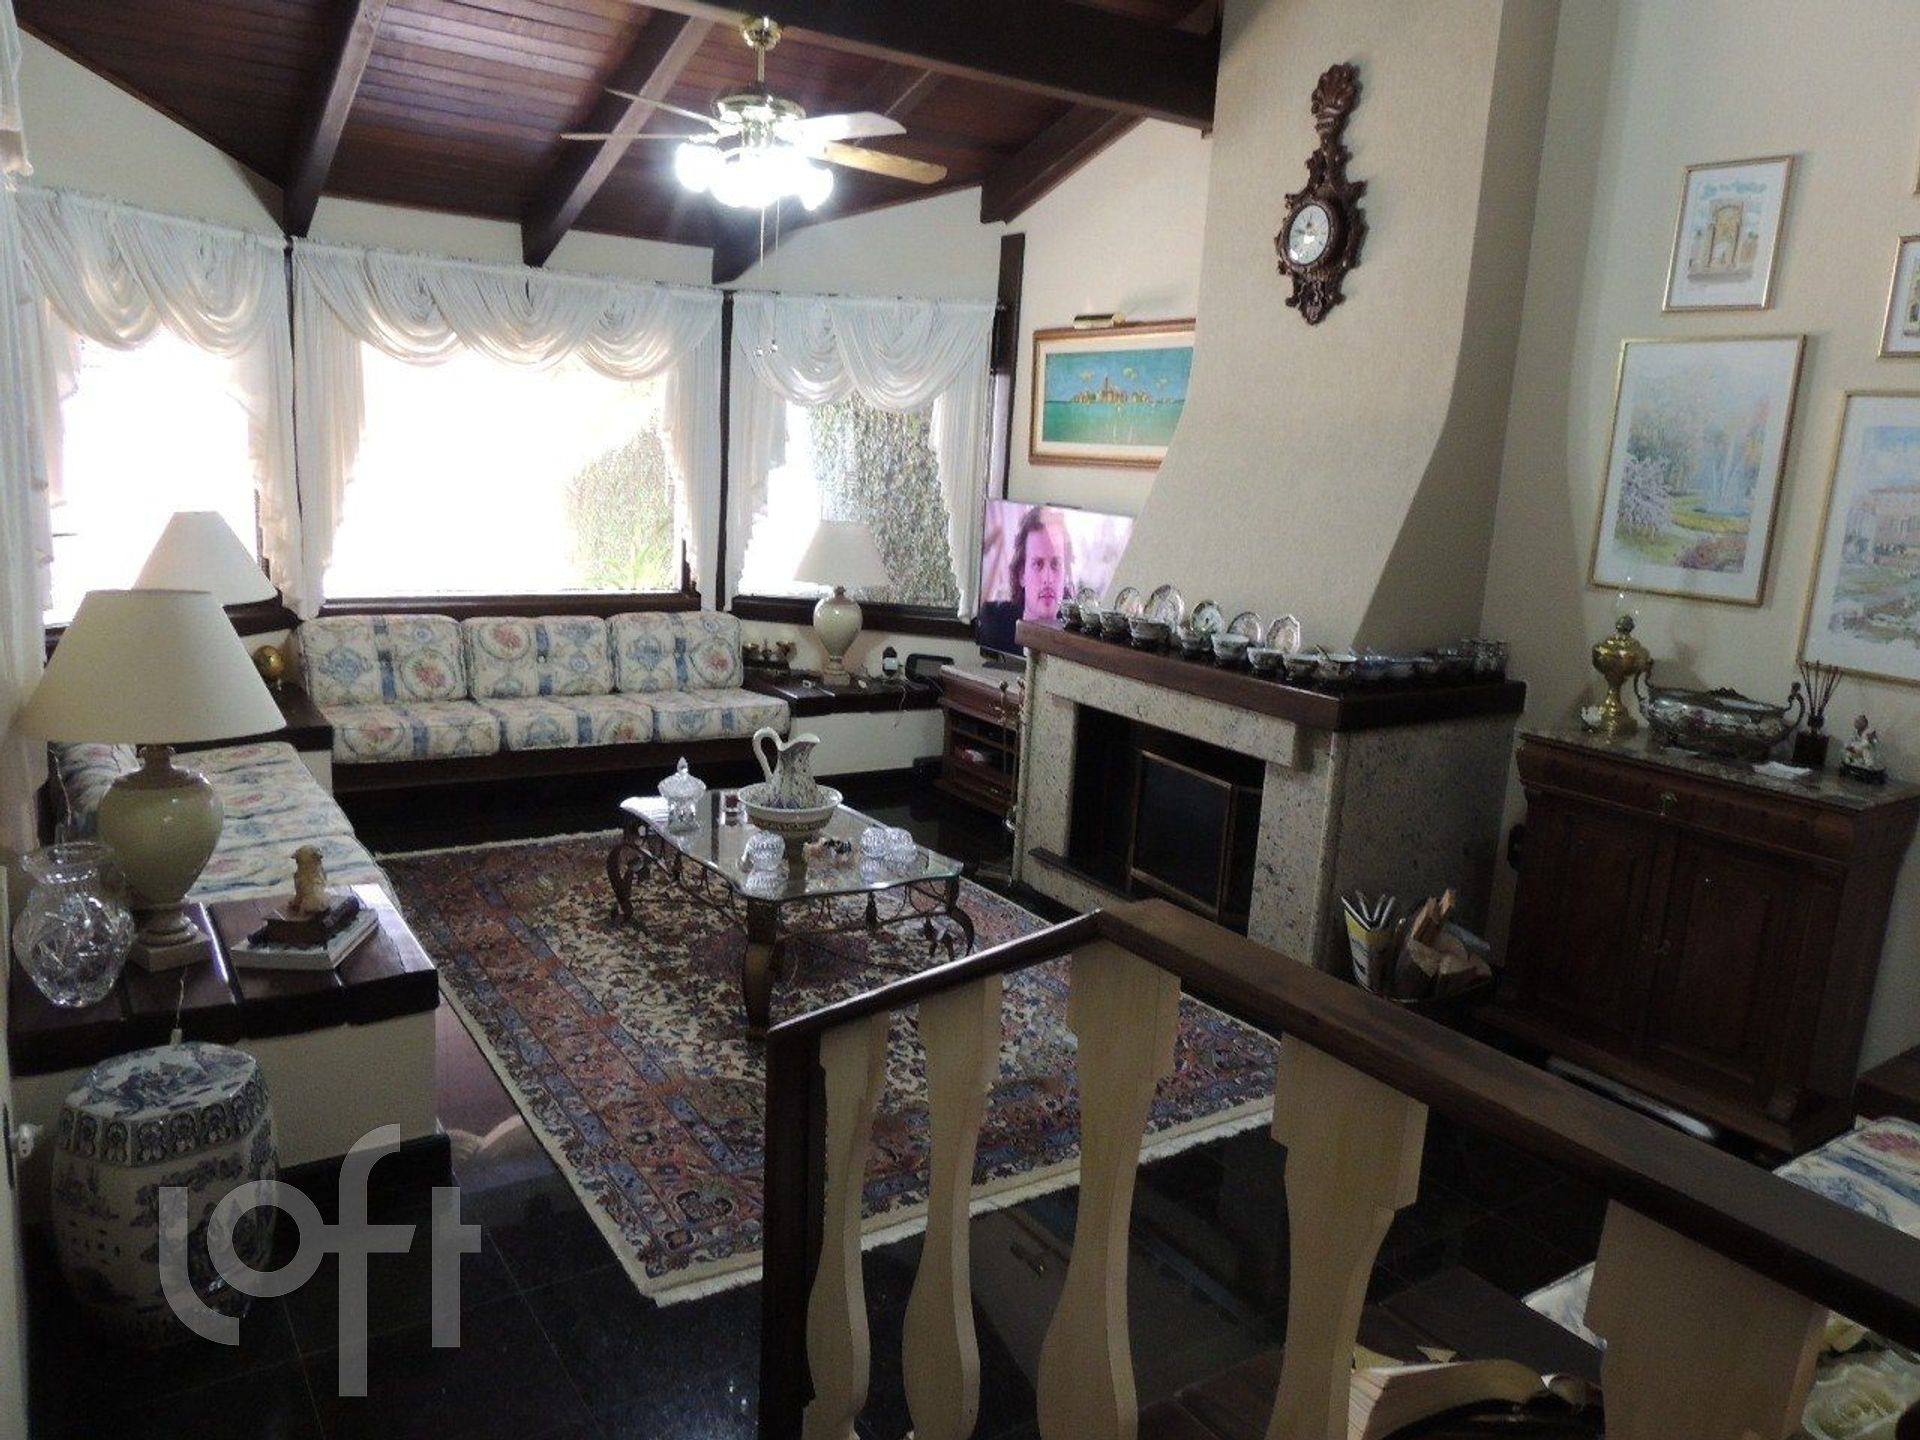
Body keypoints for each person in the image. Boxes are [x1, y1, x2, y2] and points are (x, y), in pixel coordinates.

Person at [977, 506, 1075, 655]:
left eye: (1056, 564)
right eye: (1038, 564)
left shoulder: (1076, 638)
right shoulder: (994, 623)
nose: (1047, 579)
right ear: (1022, 575)